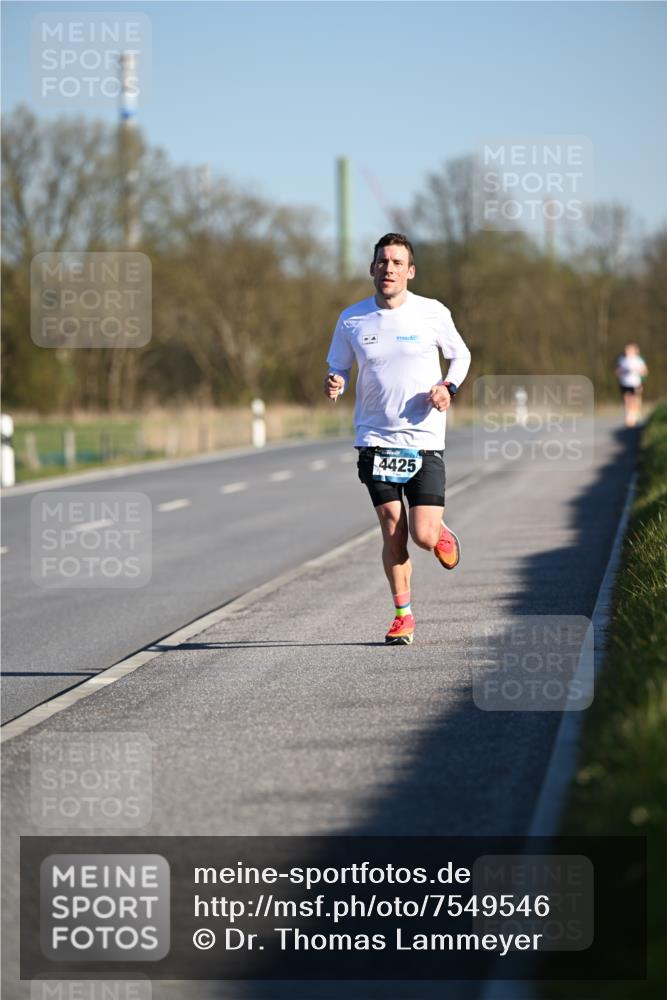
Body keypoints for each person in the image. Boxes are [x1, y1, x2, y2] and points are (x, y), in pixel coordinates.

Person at [324, 233, 471, 645]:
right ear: (372, 268)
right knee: (392, 528)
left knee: (422, 535)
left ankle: (438, 533)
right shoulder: (352, 319)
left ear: (410, 271)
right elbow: (339, 366)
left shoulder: (432, 312)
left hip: (424, 439)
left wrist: (448, 387)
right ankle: (402, 616)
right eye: (382, 261)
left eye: (397, 262)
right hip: (375, 438)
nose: (388, 268)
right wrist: (336, 381)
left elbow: (460, 355)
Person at [615, 343, 648, 427]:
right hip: (624, 382)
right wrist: (623, 372)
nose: (627, 351)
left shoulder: (638, 360)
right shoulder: (622, 360)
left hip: (635, 383)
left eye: (629, 350)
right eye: (627, 349)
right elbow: (617, 372)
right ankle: (629, 415)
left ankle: (633, 416)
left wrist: (636, 371)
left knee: (634, 399)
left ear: (634, 350)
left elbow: (644, 372)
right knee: (627, 399)